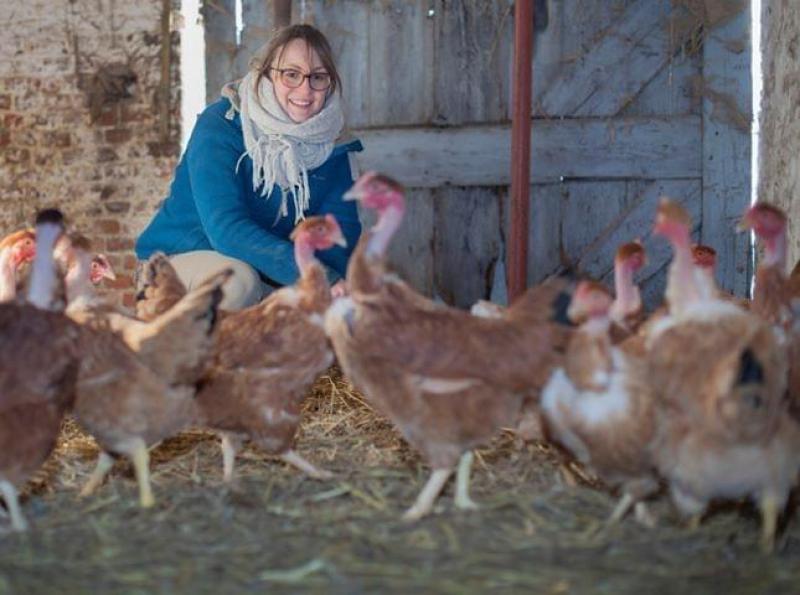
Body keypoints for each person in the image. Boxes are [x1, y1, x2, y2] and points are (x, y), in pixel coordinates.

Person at [135, 24, 362, 309]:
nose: (305, 89)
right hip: (176, 261)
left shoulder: (334, 144)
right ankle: (190, 352)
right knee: (239, 282)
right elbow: (226, 229)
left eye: (318, 77)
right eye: (291, 74)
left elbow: (340, 232)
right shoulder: (221, 125)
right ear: (266, 74)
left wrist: (329, 285)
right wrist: (316, 277)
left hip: (269, 270)